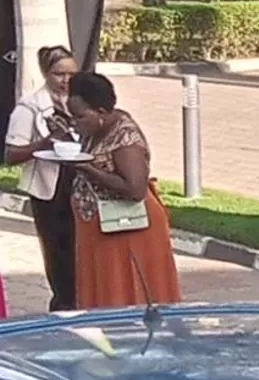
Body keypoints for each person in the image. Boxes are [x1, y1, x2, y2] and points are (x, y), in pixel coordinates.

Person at [65, 71, 182, 309]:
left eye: (79, 117)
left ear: (101, 112)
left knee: (125, 294)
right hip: (100, 230)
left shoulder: (125, 138)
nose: (75, 123)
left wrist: (89, 170)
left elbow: (135, 188)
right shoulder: (95, 129)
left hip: (127, 229)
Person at [4, 46, 79, 310]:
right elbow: (11, 155)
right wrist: (45, 143)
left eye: (71, 73)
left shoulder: (82, 101)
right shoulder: (30, 108)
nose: (66, 80)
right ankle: (63, 310)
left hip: (81, 189)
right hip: (50, 191)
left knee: (83, 257)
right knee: (60, 257)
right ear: (46, 73)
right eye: (59, 74)